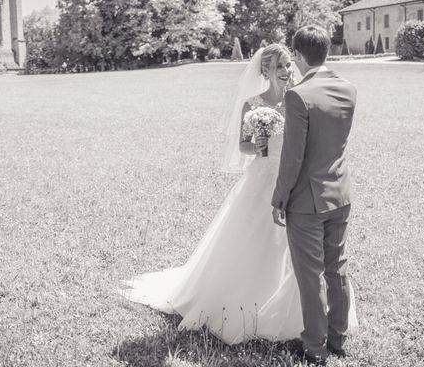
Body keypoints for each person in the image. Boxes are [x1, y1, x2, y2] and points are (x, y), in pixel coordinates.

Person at [121, 44, 313, 344]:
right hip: (262, 179)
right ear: (265, 71)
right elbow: (244, 147)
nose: (288, 71)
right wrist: (260, 142)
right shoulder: (253, 104)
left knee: (293, 241)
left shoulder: (297, 99)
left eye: (289, 65)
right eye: (280, 66)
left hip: (293, 178)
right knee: (255, 235)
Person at [272, 26, 358, 366]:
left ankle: (315, 348)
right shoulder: (348, 88)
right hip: (340, 193)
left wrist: (279, 198)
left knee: (311, 276)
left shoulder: (298, 95)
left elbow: (293, 157)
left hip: (306, 202)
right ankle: (339, 339)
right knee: (336, 269)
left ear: (298, 55)